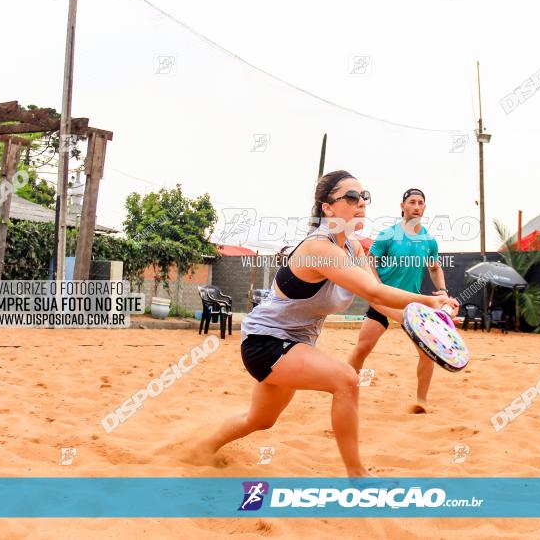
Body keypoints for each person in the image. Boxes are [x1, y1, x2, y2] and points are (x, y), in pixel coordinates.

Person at [191, 171, 457, 477]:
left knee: (259, 420)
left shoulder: (354, 248)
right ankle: (358, 476)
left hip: (296, 345)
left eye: (364, 197)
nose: (361, 204)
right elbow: (375, 291)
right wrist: (431, 301)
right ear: (327, 208)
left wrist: (423, 323)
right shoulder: (318, 248)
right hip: (265, 343)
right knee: (346, 379)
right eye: (351, 197)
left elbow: (379, 302)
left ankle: (200, 449)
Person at [347, 188, 446, 409]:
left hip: (411, 304)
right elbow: (369, 262)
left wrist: (443, 289)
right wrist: (377, 288)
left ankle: (421, 401)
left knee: (427, 352)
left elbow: (435, 268)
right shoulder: (388, 235)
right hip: (382, 301)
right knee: (363, 348)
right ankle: (347, 388)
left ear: (424, 207)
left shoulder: (429, 241)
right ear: (402, 206)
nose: (417, 206)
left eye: (421, 202)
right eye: (412, 202)